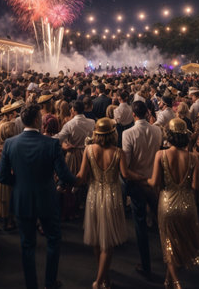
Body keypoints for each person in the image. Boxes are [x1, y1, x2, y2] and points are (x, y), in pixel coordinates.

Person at [0, 104, 76, 289]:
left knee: (27, 246)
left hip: (22, 198)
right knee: (53, 239)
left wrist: (19, 184)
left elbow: (2, 177)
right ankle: (50, 282)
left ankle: (31, 285)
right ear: (35, 121)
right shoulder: (51, 144)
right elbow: (63, 175)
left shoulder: (10, 143)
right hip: (47, 198)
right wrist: (77, 180)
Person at [77, 118, 145, 289]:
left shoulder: (89, 150)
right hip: (111, 196)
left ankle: (104, 278)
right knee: (108, 244)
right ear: (112, 134)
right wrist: (144, 177)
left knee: (96, 239)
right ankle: (99, 282)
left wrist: (65, 180)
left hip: (93, 195)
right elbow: (126, 174)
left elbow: (81, 176)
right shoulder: (118, 152)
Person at [148, 118, 199, 288]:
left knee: (168, 243)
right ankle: (168, 278)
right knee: (181, 241)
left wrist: (144, 179)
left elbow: (154, 182)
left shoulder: (161, 155)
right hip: (188, 204)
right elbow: (196, 185)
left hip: (167, 202)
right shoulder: (192, 158)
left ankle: (176, 282)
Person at [122, 101, 162, 278]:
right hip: (154, 180)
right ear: (147, 113)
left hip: (138, 182)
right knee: (161, 221)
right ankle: (173, 259)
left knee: (140, 225)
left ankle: (146, 265)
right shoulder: (157, 130)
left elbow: (128, 162)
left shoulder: (128, 133)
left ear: (133, 115)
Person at [0, 121, 17, 230]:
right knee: (9, 198)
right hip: (8, 176)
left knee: (3, 199)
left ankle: (5, 220)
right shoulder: (9, 147)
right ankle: (10, 221)